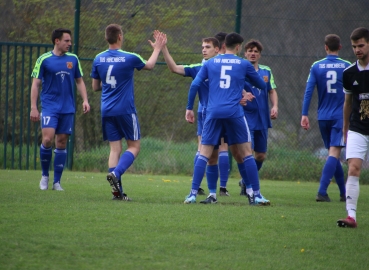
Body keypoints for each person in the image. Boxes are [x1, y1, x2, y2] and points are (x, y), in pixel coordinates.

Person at [184, 33, 266, 205]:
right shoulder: (243, 64)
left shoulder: (211, 63)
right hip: (234, 112)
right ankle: (256, 194)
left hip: (212, 112)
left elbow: (195, 85)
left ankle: (192, 194)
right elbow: (261, 85)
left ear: (223, 46)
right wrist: (250, 85)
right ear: (237, 47)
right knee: (246, 153)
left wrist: (189, 108)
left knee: (204, 153)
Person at [91, 25, 166, 200]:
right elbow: (149, 66)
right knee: (134, 147)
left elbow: (95, 87)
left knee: (114, 150)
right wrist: (157, 49)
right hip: (125, 110)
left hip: (106, 110)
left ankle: (117, 193)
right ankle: (116, 174)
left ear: (106, 38)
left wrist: (110, 84)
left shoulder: (98, 58)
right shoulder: (129, 57)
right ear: (119, 37)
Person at [30, 28, 90, 191]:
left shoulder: (73, 59)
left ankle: (57, 182)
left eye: (70, 41)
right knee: (48, 139)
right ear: (57, 41)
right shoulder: (44, 59)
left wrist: (85, 100)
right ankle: (44, 176)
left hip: (67, 107)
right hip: (49, 106)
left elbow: (79, 81)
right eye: (66, 41)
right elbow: (36, 84)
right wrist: (34, 107)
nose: (70, 44)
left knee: (62, 142)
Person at [161, 36, 220, 196]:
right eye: (202, 47)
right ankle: (198, 187)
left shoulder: (223, 67)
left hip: (225, 115)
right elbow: (173, 68)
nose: (203, 49)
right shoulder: (197, 68)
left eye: (207, 47)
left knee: (224, 154)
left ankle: (226, 190)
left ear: (217, 49)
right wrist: (164, 48)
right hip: (207, 114)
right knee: (204, 150)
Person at [301, 34, 350, 202]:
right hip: (340, 116)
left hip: (323, 116)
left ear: (325, 47)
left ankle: (344, 193)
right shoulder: (347, 66)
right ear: (340, 47)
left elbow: (309, 91)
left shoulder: (317, 66)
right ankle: (322, 191)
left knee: (332, 153)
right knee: (334, 153)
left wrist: (304, 114)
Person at [239, 40, 278, 204]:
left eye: (255, 51)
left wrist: (275, 106)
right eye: (249, 50)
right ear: (245, 53)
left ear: (260, 54)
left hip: (262, 118)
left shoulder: (266, 71)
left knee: (260, 155)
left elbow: (272, 90)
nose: (252, 53)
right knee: (248, 153)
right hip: (247, 118)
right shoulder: (240, 69)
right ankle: (249, 185)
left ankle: (246, 180)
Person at [337, 27, 369, 228]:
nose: (357, 49)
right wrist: (345, 129)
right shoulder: (348, 73)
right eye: (354, 46)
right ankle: (351, 216)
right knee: (354, 168)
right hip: (358, 127)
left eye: (361, 45)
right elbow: (348, 103)